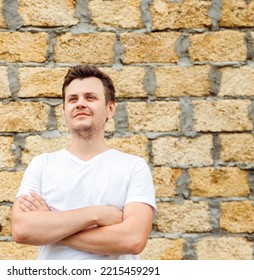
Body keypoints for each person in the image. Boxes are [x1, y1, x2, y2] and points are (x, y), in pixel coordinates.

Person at [11, 65, 156, 260]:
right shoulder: (42, 165)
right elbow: (21, 230)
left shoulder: (133, 167)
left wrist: (52, 227)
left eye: (90, 97)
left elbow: (133, 239)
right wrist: (95, 214)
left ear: (110, 109)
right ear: (65, 110)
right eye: (72, 99)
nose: (80, 104)